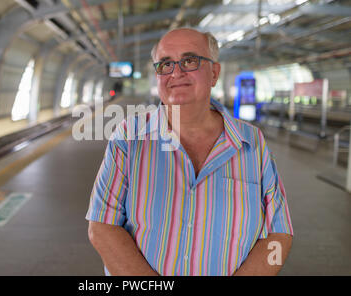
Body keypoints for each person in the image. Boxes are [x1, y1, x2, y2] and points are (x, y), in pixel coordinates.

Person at [86, 28, 293, 276]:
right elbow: (101, 226)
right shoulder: (129, 136)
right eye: (165, 64)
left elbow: (279, 233)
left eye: (190, 60)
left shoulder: (252, 143)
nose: (176, 72)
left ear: (214, 73)